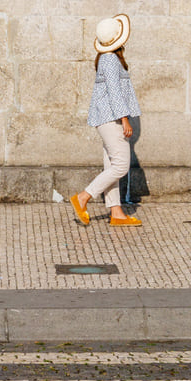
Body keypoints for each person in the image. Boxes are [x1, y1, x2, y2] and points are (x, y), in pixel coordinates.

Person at [70, 14, 141, 227]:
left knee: (111, 164)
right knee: (120, 166)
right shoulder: (110, 59)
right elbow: (114, 93)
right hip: (111, 119)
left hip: (108, 118)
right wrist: (125, 120)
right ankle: (83, 197)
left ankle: (116, 212)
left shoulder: (107, 58)